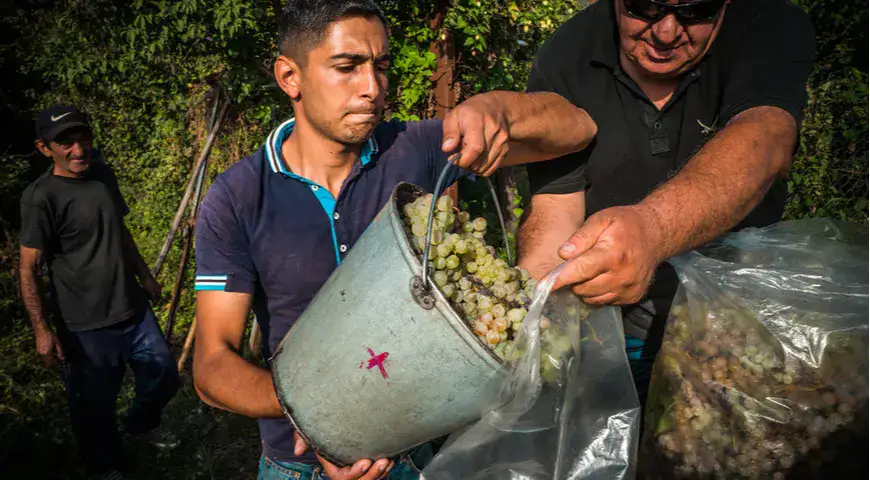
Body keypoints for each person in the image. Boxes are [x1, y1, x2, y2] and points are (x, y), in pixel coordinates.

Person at [191, 1, 598, 479]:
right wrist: (313, 416)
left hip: (415, 451)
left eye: (380, 66)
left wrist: (498, 109)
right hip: (297, 464)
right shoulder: (239, 197)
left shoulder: (417, 148)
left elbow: (578, 129)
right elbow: (212, 365)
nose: (372, 88)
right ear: (290, 77)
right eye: (347, 67)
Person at [516, 0, 815, 405]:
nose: (666, 32)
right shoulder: (570, 50)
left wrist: (652, 230)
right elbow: (556, 202)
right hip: (614, 328)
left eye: (697, 11)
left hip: (733, 321)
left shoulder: (768, 23)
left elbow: (766, 136)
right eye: (645, 5)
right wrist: (534, 308)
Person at [19, 106, 180, 480]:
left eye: (83, 137)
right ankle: (105, 466)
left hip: (132, 306)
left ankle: (141, 423)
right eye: (66, 142)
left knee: (164, 371)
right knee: (95, 407)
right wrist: (42, 329)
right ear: (45, 148)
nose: (78, 148)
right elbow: (29, 266)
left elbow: (119, 231)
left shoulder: (102, 175)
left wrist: (144, 275)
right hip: (85, 323)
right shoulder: (41, 198)